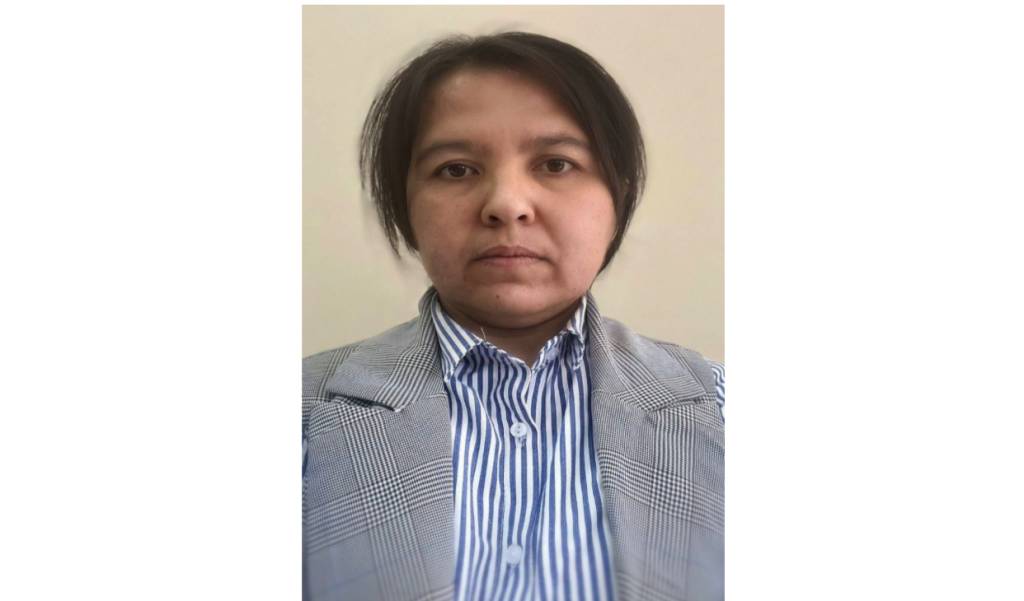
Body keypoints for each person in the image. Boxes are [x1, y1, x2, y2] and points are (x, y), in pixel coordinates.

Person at [303, 32, 724, 601]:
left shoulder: (721, 410)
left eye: (556, 163)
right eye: (456, 169)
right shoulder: (303, 415)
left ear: (618, 199)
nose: (506, 204)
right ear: (404, 205)